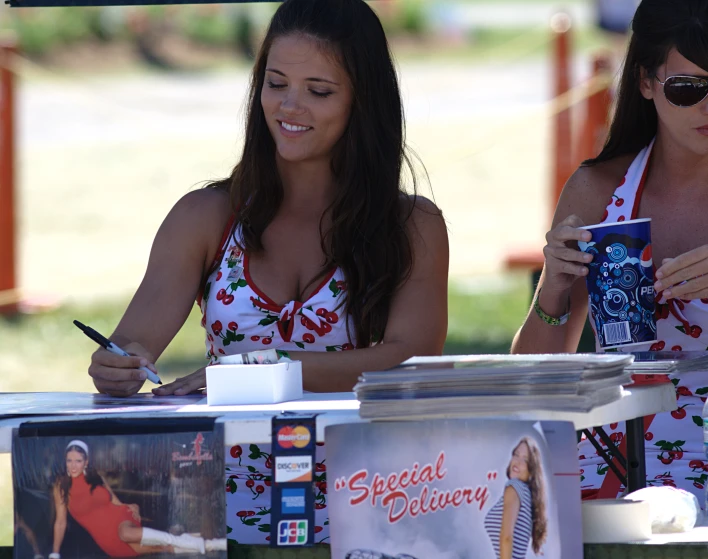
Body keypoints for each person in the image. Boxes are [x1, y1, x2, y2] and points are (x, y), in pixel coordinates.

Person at [86, 0, 448, 544]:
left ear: (363, 100)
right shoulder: (206, 215)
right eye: (276, 83)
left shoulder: (412, 224)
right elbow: (134, 341)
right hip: (210, 512)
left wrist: (262, 368)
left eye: (318, 90)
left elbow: (408, 361)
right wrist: (116, 365)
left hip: (367, 505)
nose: (290, 105)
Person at [512, 0, 708, 501]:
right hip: (615, 450)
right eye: (688, 89)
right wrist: (555, 287)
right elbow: (531, 381)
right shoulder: (598, 189)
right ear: (646, 83)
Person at [51, 440, 224, 557]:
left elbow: (114, 501)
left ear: (86, 461)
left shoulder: (96, 477)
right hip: (107, 540)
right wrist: (55, 553)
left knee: (126, 533)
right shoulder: (61, 486)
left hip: (121, 519)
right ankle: (211, 545)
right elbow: (60, 522)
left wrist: (132, 506)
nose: (73, 465)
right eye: (69, 460)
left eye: (78, 461)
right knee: (163, 547)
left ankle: (206, 543)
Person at [484, 437, 547, 559]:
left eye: (525, 460)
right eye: (516, 455)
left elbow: (506, 537)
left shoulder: (514, 487)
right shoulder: (527, 494)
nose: (517, 462)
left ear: (531, 470)